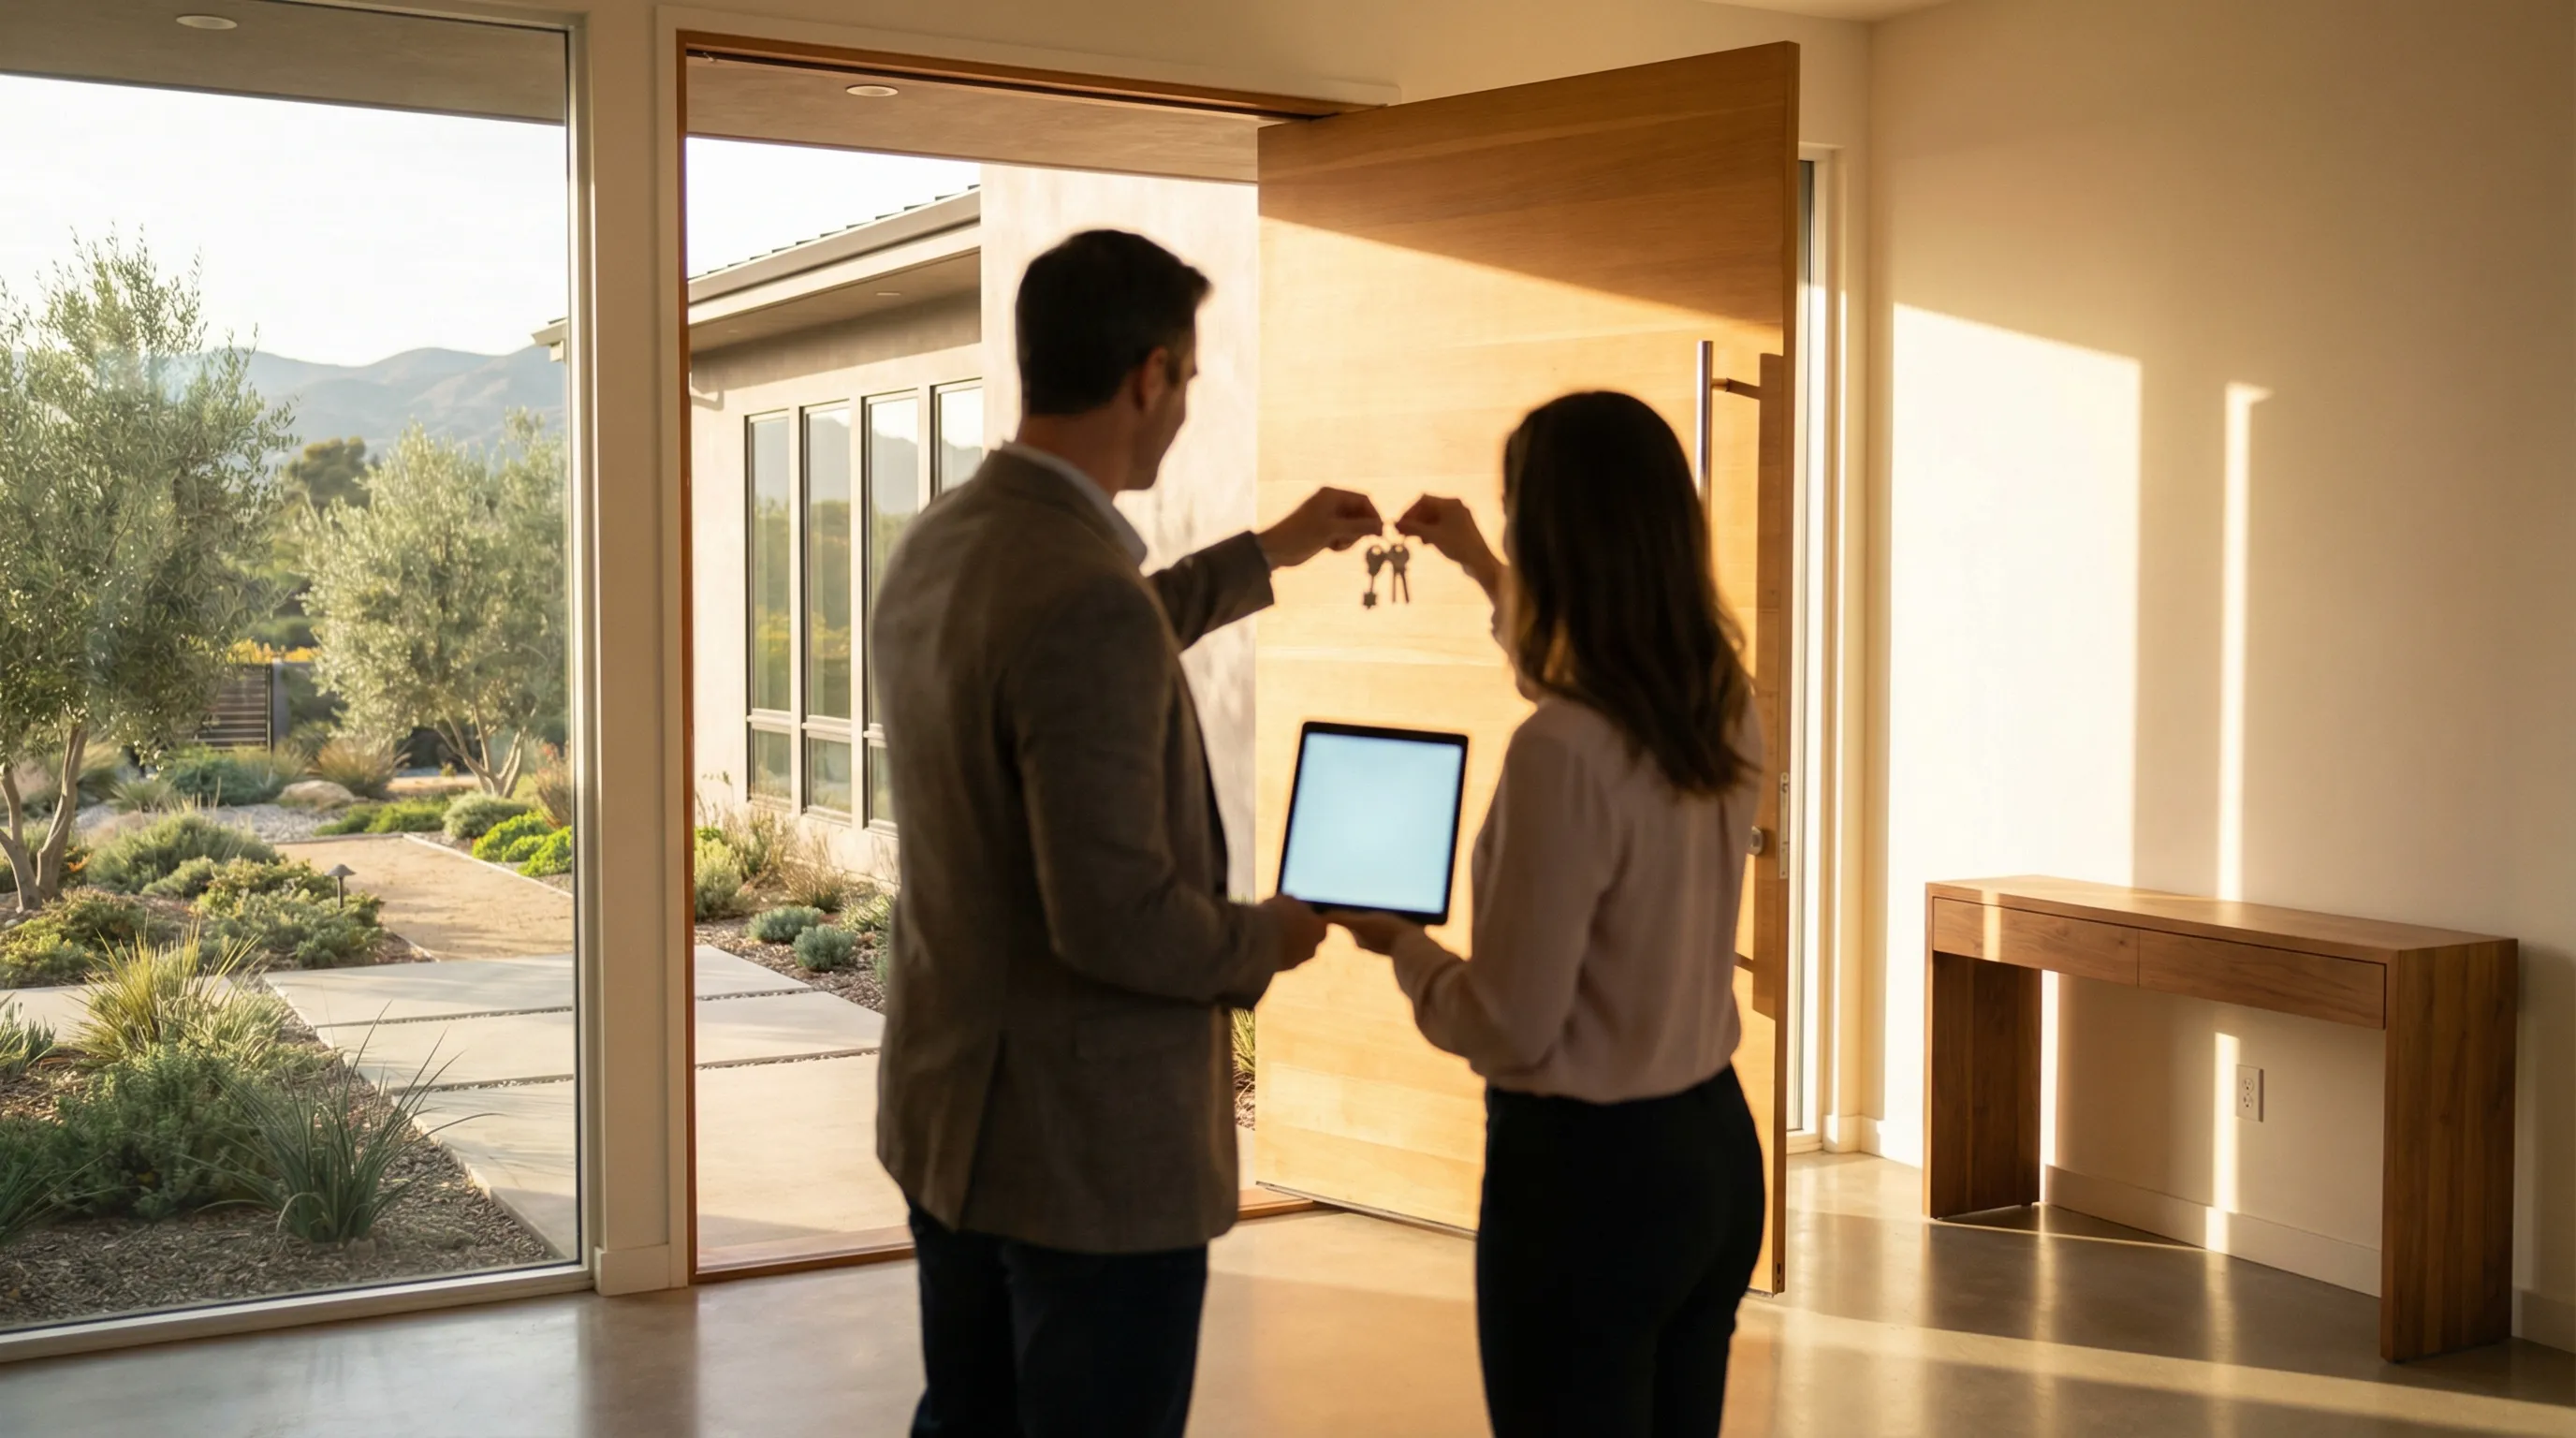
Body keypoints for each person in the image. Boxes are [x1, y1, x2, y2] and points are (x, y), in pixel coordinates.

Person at [869, 227, 1384, 1438]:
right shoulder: (1081, 596)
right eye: (1190, 382)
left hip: (953, 1122)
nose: (1184, 409)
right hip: (1084, 1164)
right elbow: (1114, 919)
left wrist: (1271, 552)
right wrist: (1271, 936)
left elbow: (1090, 642)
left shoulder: (946, 543)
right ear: (1147, 374)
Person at [1338, 390, 1770, 1438]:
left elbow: (1510, 1024)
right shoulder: (1721, 698)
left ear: (1556, 533)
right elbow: (1574, 673)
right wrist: (1481, 566)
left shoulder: (1558, 756)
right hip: (1711, 1159)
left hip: (1589, 1188)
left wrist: (1404, 949)